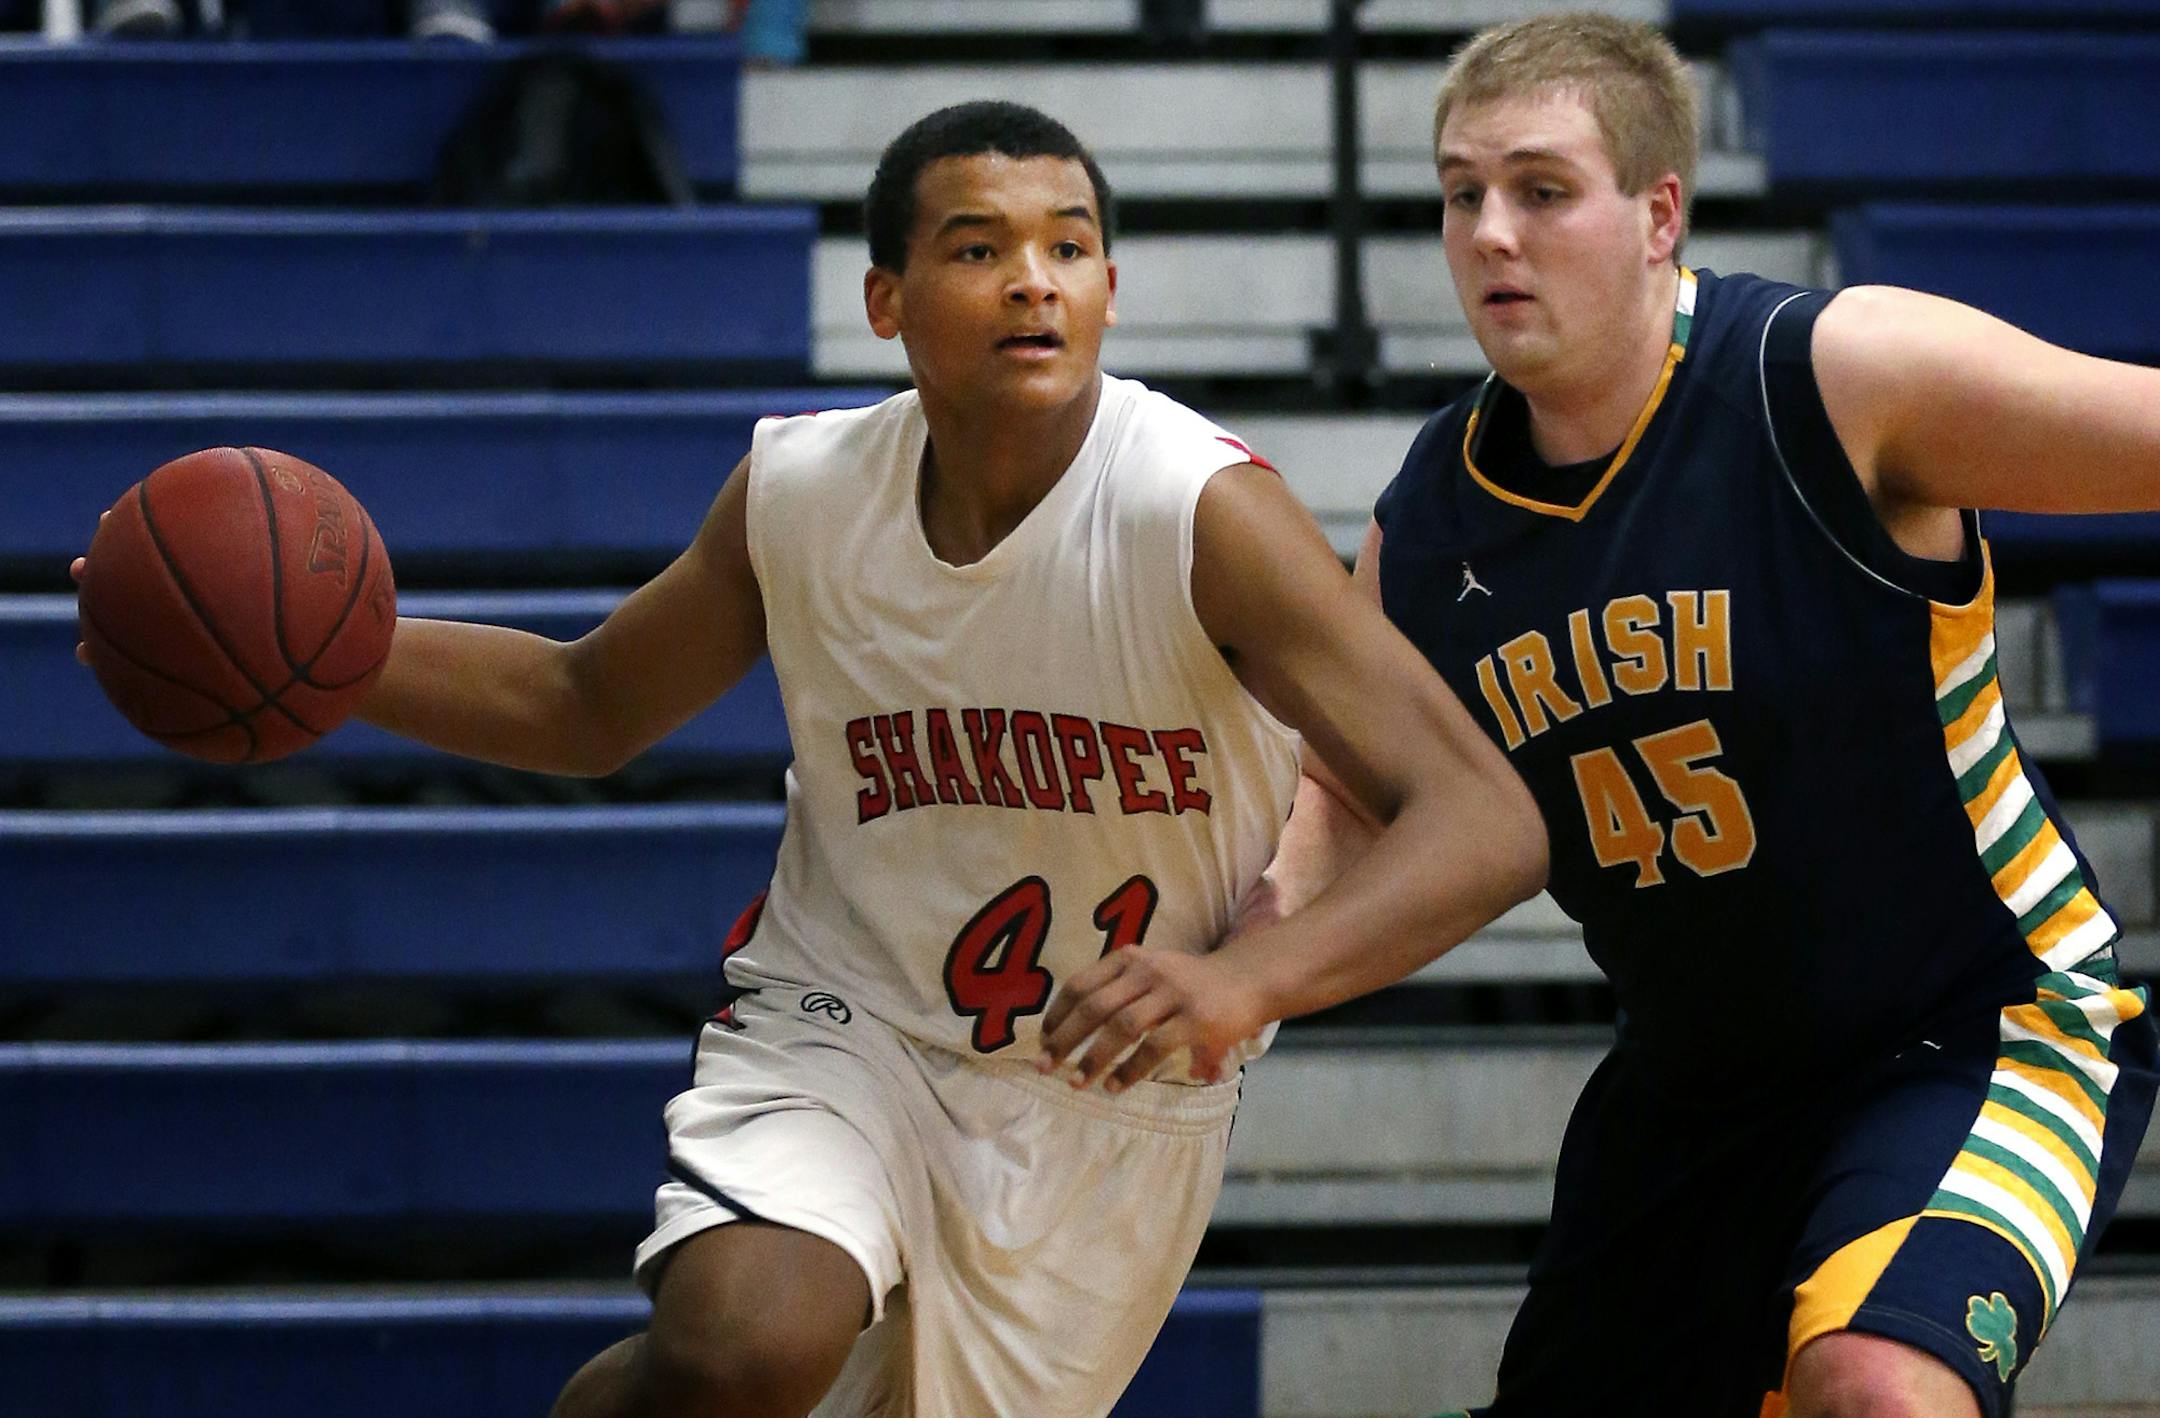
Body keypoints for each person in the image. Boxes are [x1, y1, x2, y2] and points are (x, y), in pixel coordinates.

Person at [66, 101, 1544, 1417]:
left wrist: (1247, 981)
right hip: (850, 1024)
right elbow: (587, 702)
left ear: (1110, 287)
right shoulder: (802, 492)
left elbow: (1486, 821)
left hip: (1107, 1099)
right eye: (979, 248)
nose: (1034, 279)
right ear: (885, 299)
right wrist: (317, 655)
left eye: (1069, 245)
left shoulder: (1198, 514)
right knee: (742, 1343)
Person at [1047, 14, 2160, 1417]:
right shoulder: (1432, 518)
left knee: (1878, 1383)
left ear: (1659, 216)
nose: (1491, 235)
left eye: (1541, 190)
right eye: (1462, 194)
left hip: (1978, 1026)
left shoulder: (1834, 378)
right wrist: (1239, 963)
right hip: (1696, 1084)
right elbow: (1346, 795)